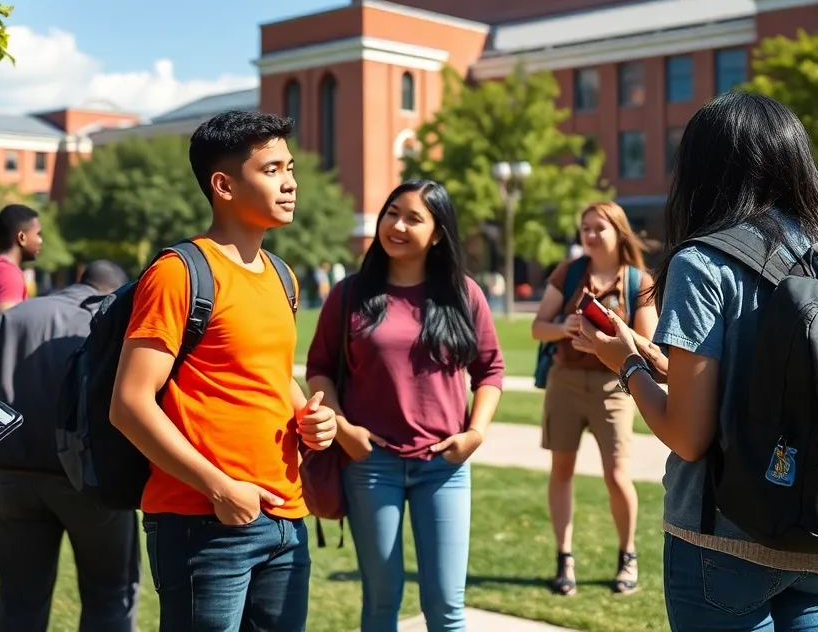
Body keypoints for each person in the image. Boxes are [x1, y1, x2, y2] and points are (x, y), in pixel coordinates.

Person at [580, 92, 818, 631]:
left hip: (722, 533)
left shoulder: (704, 261)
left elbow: (689, 436)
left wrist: (625, 364)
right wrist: (654, 358)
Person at [109, 110, 337, 632]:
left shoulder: (283, 276)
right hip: (203, 522)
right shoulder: (178, 273)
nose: (291, 182)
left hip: (285, 518)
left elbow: (270, 374)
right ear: (224, 185)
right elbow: (130, 404)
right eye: (273, 169)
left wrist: (310, 418)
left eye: (291, 168)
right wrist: (219, 487)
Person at [306, 180, 504, 631]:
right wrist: (343, 428)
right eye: (391, 212)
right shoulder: (350, 294)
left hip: (445, 466)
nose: (396, 224)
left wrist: (476, 432)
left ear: (437, 233)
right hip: (371, 464)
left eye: (413, 218)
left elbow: (490, 370)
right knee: (381, 602)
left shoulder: (463, 294)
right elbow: (318, 368)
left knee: (446, 607)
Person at [0, 260, 141, 632]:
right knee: (110, 594)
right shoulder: (109, 320)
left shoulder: (15, 316)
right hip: (90, 481)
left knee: (19, 598)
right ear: (109, 290)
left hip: (11, 478)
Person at [530, 201, 658, 596]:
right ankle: (564, 558)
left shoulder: (639, 282)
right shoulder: (569, 274)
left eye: (597, 228)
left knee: (617, 476)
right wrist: (563, 327)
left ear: (618, 231)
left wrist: (611, 329)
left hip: (614, 387)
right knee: (561, 472)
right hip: (564, 383)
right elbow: (538, 328)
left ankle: (628, 555)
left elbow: (648, 345)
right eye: (583, 228)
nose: (588, 235)